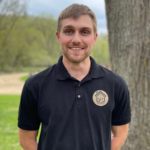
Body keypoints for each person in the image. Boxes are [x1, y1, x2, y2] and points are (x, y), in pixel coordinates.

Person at [18, 3, 131, 150]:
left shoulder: (116, 84)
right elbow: (26, 140)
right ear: (58, 37)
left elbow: (120, 134)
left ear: (94, 38)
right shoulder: (34, 86)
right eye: (69, 31)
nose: (76, 39)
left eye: (85, 32)